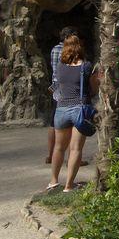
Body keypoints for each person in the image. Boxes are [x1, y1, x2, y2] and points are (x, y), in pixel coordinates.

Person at [48, 34, 97, 192]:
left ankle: (53, 181)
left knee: (58, 147)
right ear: (80, 47)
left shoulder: (61, 67)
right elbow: (93, 89)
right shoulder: (87, 66)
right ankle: (69, 185)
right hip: (79, 109)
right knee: (75, 148)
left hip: (61, 108)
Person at [46, 28, 75, 163]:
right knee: (70, 124)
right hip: (67, 90)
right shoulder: (68, 51)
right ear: (68, 37)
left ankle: (50, 155)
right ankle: (71, 157)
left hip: (56, 89)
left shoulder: (54, 49)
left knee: (53, 123)